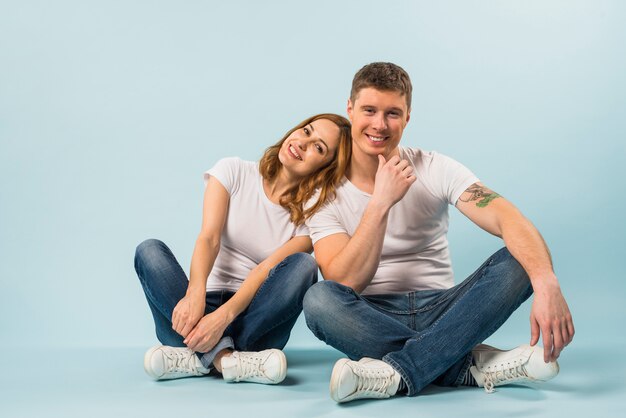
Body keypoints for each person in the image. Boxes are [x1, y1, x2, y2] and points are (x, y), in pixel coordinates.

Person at [302, 63, 575, 402]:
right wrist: (381, 203)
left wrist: (546, 282)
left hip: (447, 308)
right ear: (350, 109)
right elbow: (344, 281)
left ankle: (396, 373)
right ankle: (464, 364)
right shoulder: (323, 193)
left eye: (392, 113)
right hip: (372, 315)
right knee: (318, 300)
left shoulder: (434, 167)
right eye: (369, 110)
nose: (379, 124)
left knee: (520, 261)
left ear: (407, 118)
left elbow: (509, 218)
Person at [134, 113, 351, 385]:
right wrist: (195, 294)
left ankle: (193, 358)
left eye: (319, 148)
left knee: (305, 265)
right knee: (149, 251)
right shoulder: (233, 170)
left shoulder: (314, 215)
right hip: (196, 316)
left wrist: (223, 317)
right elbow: (209, 238)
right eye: (306, 131)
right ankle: (226, 360)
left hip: (252, 321)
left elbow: (265, 269)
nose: (303, 143)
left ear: (327, 168)